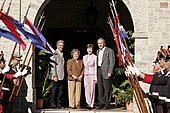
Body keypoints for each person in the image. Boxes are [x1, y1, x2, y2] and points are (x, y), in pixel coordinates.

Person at [96, 38, 115, 109]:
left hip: (107, 71)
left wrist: (110, 71)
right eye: (98, 43)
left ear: (104, 43)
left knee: (107, 88)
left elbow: (112, 62)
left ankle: (107, 104)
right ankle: (101, 103)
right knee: (100, 88)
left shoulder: (110, 50)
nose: (100, 44)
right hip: (99, 70)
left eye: (101, 43)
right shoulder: (97, 51)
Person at [49, 40, 65, 109]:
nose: (61, 47)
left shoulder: (61, 53)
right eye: (60, 45)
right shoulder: (54, 53)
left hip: (61, 76)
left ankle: (58, 104)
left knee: (60, 91)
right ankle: (52, 104)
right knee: (54, 91)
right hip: (56, 76)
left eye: (62, 45)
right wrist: (54, 75)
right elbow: (53, 65)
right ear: (57, 46)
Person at [83, 44, 97, 109]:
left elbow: (96, 67)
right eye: (88, 48)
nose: (89, 50)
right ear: (86, 49)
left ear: (92, 49)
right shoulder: (84, 57)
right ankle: (88, 103)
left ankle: (91, 104)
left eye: (90, 48)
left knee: (92, 90)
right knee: (86, 89)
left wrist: (95, 77)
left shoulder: (95, 57)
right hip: (86, 75)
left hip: (92, 74)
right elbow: (83, 67)